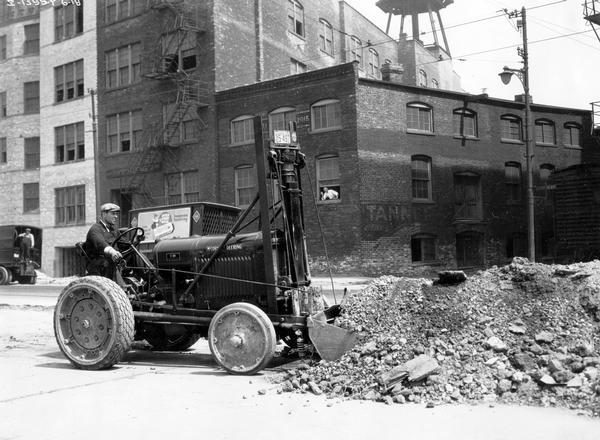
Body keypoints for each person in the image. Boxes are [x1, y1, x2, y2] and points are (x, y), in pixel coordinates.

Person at [84, 203, 123, 279]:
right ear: (104, 214)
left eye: (116, 214)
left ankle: (149, 279)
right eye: (113, 214)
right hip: (98, 265)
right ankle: (117, 286)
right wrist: (112, 252)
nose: (116, 216)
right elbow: (101, 244)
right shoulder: (95, 229)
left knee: (134, 255)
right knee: (107, 262)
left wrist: (136, 240)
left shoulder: (114, 230)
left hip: (110, 262)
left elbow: (123, 243)